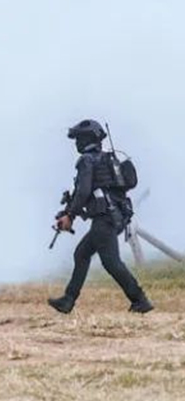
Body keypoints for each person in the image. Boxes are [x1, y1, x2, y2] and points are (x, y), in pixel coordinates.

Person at [48, 120, 153, 314]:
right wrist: (70, 211)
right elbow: (91, 193)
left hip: (105, 218)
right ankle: (68, 300)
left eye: (79, 138)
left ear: (87, 139)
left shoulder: (87, 160)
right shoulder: (106, 160)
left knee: (111, 262)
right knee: (81, 254)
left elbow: (84, 191)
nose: (77, 143)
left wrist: (70, 215)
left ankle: (140, 299)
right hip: (116, 216)